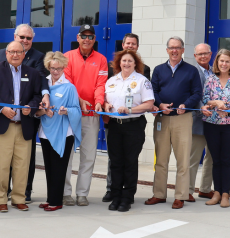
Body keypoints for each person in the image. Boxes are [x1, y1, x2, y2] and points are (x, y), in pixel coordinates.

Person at [0, 41, 43, 212]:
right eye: (12, 52)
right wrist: (2, 108)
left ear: (24, 54)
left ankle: (19, 198)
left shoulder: (31, 73)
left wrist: (30, 108)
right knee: (1, 165)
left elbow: (37, 95)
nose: (15, 55)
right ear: (6, 53)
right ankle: (1, 199)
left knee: (22, 165)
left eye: (19, 52)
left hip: (24, 126)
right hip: (3, 126)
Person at [145, 37, 202, 209]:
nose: (174, 51)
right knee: (161, 159)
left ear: (183, 50)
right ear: (167, 50)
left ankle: (181, 195)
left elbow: (197, 93)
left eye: (178, 48)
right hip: (162, 118)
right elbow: (153, 90)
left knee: (183, 160)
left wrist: (187, 104)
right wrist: (160, 104)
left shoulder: (191, 71)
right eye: (171, 48)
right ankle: (159, 194)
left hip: (183, 119)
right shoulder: (159, 70)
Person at [0, 24, 48, 203]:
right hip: (4, 117)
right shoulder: (2, 52)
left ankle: (25, 191)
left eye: (28, 38)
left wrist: (33, 105)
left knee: (25, 159)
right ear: (14, 36)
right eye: (22, 37)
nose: (25, 41)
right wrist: (1, 107)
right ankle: (6, 191)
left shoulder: (38, 57)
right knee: (4, 159)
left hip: (25, 118)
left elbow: (39, 83)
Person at [62, 24, 108, 207]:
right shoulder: (67, 57)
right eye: (84, 36)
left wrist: (98, 101)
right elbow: (68, 83)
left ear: (94, 39)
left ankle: (82, 193)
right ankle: (66, 193)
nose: (87, 39)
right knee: (68, 156)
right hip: (71, 113)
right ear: (78, 37)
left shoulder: (102, 59)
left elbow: (101, 83)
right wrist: (79, 100)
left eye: (91, 36)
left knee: (88, 155)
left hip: (91, 114)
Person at [104, 50, 154, 212]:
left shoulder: (142, 81)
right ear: (119, 63)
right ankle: (116, 195)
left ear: (135, 64)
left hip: (134, 125)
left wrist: (130, 109)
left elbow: (149, 103)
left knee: (130, 162)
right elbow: (105, 101)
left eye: (130, 61)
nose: (126, 64)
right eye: (123, 61)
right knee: (116, 162)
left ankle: (127, 197)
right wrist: (106, 106)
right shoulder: (112, 81)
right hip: (114, 126)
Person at [34, 52, 81, 211]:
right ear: (48, 67)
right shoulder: (43, 84)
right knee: (49, 167)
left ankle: (56, 202)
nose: (55, 71)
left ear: (64, 68)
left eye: (59, 68)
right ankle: (50, 199)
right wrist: (43, 111)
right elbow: (37, 109)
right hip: (45, 132)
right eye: (53, 68)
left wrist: (66, 110)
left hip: (63, 134)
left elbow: (77, 110)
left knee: (59, 169)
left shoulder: (69, 87)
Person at [201, 49, 230, 208]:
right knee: (216, 160)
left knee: (226, 160)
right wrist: (215, 103)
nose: (224, 64)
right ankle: (217, 193)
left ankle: (226, 194)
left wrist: (224, 108)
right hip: (211, 125)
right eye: (221, 61)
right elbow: (205, 99)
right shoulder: (210, 80)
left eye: (227, 61)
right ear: (217, 63)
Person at [190, 43, 215, 200]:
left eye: (206, 53)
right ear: (195, 56)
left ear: (211, 54)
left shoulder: (216, 71)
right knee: (193, 158)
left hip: (213, 121)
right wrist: (201, 107)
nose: (203, 56)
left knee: (211, 157)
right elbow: (193, 94)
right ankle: (187, 190)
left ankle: (205, 189)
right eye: (200, 54)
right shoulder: (191, 72)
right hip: (197, 120)